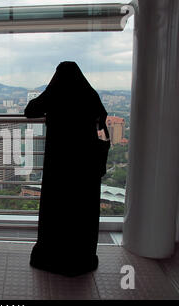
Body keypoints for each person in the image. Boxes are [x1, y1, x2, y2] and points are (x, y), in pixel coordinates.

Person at [25, 61, 108, 277]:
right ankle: (81, 258)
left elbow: (29, 110)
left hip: (60, 165)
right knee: (82, 211)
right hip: (84, 165)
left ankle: (54, 257)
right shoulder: (90, 95)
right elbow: (102, 118)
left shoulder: (54, 94)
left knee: (58, 209)